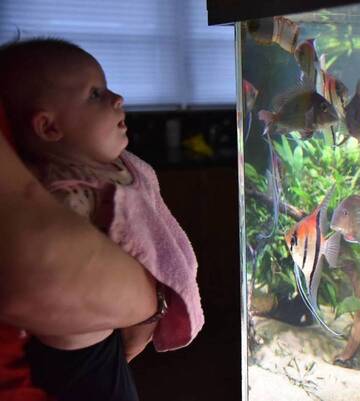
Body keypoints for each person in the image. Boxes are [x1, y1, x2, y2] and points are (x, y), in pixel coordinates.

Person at [0, 38, 204, 401]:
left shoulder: (112, 172)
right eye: (95, 94)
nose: (117, 98)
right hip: (76, 363)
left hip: (103, 344)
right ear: (49, 128)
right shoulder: (64, 192)